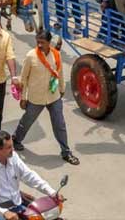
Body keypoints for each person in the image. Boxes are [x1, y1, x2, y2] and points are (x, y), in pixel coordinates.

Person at [12, 31, 80, 165]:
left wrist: (61, 89)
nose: (39, 44)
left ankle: (66, 152)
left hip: (53, 95)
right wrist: (23, 97)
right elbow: (24, 78)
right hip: (36, 97)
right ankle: (16, 139)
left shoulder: (56, 54)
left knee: (59, 124)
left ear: (49, 42)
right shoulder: (31, 56)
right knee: (27, 120)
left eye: (42, 42)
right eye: (38, 41)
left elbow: (59, 72)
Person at [0, 131, 61, 220]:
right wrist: (5, 212)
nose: (13, 149)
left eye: (12, 145)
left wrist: (51, 192)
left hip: (17, 206)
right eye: (9, 147)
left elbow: (29, 175)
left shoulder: (13, 157)